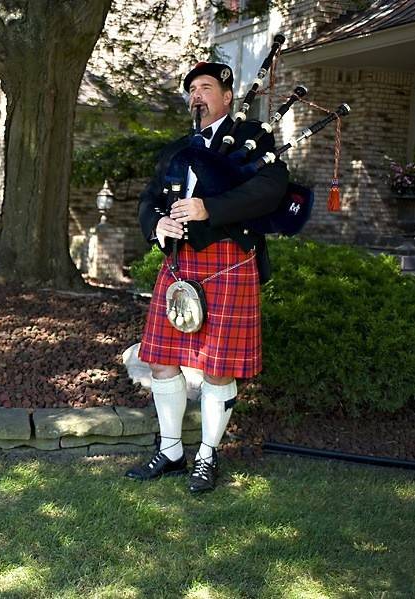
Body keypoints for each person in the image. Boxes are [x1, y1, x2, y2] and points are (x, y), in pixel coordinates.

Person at [125, 62, 288, 493]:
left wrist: (208, 209)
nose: (197, 96)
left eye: (206, 87)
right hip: (179, 263)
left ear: (228, 95)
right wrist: (156, 225)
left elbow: (270, 191)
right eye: (192, 90)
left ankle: (207, 455)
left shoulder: (255, 140)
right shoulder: (178, 149)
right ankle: (173, 450)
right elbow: (149, 198)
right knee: (160, 359)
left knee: (218, 368)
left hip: (230, 262)